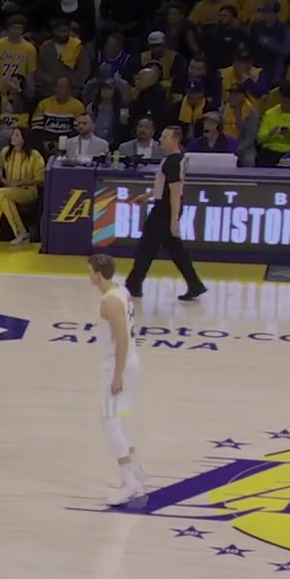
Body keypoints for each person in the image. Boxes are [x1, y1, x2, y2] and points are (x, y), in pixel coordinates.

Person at [89, 253, 149, 508]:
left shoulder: (110, 302)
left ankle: (129, 480)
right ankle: (136, 471)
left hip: (119, 363)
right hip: (129, 361)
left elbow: (122, 339)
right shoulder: (121, 291)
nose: (89, 276)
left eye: (90, 272)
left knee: (109, 419)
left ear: (98, 275)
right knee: (120, 417)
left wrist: (116, 375)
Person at [121, 125, 206, 301]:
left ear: (175, 140)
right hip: (165, 207)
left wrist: (174, 219)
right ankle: (195, 284)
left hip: (164, 210)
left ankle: (134, 284)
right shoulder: (175, 159)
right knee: (175, 250)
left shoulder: (172, 162)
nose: (161, 140)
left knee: (147, 246)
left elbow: (175, 192)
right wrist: (147, 196)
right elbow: (165, 187)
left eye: (165, 137)